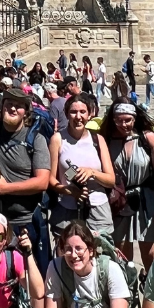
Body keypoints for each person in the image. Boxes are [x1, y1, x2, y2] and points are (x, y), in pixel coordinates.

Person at [0, 88, 52, 273]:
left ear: (26, 112)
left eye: (19, 106)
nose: (13, 109)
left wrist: (6, 188)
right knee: (4, 275)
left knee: (35, 275)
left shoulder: (35, 139)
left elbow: (42, 182)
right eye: (9, 104)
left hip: (28, 222)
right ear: (1, 108)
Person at [100, 99, 154, 270]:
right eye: (119, 120)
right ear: (113, 119)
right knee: (122, 258)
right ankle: (128, 293)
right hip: (120, 202)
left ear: (135, 118)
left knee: (152, 257)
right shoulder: (106, 140)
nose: (124, 124)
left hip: (147, 201)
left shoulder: (147, 138)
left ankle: (152, 293)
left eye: (128, 120)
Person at [49, 93, 116, 237]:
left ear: (90, 114)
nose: (78, 117)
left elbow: (111, 180)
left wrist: (92, 172)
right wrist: (70, 191)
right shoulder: (58, 139)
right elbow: (51, 180)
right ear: (67, 114)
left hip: (97, 208)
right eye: (73, 112)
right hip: (67, 209)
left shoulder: (98, 139)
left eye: (82, 112)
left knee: (99, 254)